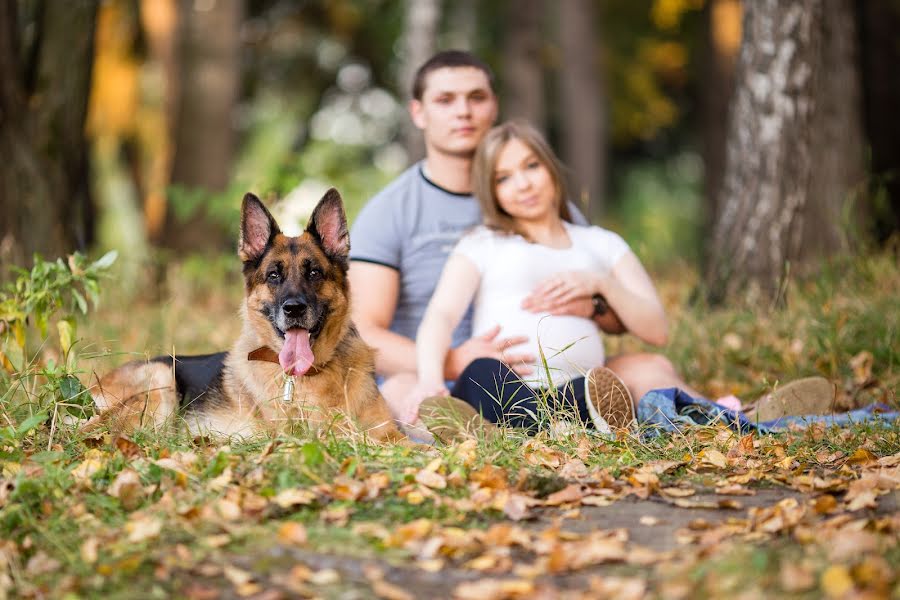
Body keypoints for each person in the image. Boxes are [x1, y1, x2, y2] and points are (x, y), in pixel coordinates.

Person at [349, 50, 692, 424]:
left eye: (476, 97)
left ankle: (738, 421)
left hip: (547, 373)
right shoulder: (390, 212)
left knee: (650, 367)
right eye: (445, 100)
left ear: (493, 106)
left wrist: (594, 305)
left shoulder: (539, 204)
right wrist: (453, 360)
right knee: (407, 395)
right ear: (419, 113)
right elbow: (364, 331)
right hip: (436, 371)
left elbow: (616, 311)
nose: (463, 111)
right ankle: (499, 439)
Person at [402, 121, 699, 431]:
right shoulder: (482, 242)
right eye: (503, 178)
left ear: (551, 167)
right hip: (503, 384)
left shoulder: (601, 243)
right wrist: (429, 380)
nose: (523, 184)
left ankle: (531, 431)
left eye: (531, 166)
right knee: (481, 371)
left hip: (572, 391)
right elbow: (441, 315)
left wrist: (601, 284)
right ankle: (548, 429)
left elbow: (657, 330)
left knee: (599, 389)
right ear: (492, 192)